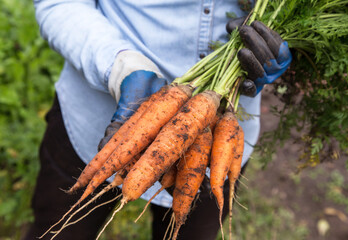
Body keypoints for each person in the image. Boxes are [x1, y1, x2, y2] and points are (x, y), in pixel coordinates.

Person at [25, 1, 291, 239]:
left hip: (213, 156)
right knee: (58, 226)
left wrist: (286, 49)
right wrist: (119, 66)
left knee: (186, 219)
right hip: (93, 122)